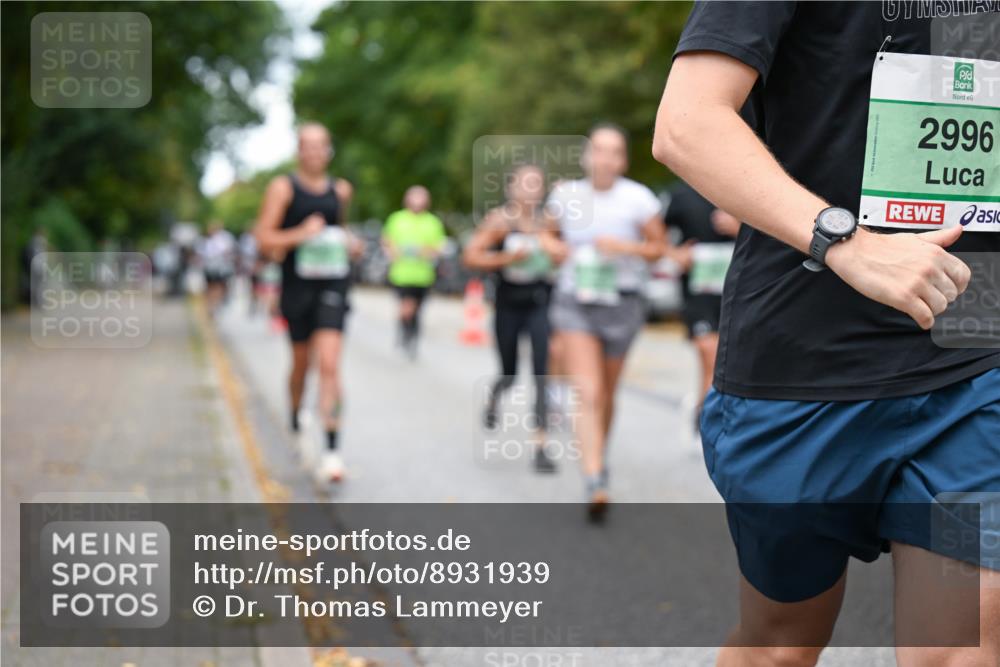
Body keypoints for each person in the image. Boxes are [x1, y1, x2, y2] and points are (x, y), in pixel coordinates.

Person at [654, 3, 998, 666]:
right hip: (800, 366)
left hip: (973, 360)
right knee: (781, 644)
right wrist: (847, 242)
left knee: (962, 652)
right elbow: (686, 124)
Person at [542, 123, 670, 518]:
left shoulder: (638, 199)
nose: (605, 159)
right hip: (575, 300)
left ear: (624, 159)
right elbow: (546, 236)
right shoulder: (566, 195)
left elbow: (659, 249)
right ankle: (594, 476)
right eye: (598, 150)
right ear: (586, 156)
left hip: (622, 303)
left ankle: (599, 455)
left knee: (608, 393)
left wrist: (624, 247)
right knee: (589, 391)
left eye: (614, 152)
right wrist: (556, 249)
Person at [253, 122, 361, 483]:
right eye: (307, 146)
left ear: (329, 150)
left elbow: (342, 230)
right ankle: (296, 413)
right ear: (298, 151)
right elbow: (263, 240)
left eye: (321, 145)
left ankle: (332, 450)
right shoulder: (283, 188)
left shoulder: (341, 190)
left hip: (333, 283)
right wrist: (300, 234)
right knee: (302, 365)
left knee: (330, 365)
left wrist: (352, 244)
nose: (314, 152)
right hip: (297, 288)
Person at [463, 164, 559, 473]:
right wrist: (507, 258)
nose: (531, 189)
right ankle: (494, 397)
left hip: (540, 302)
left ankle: (540, 445)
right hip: (508, 304)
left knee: (542, 373)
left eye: (537, 183)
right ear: (511, 188)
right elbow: (471, 256)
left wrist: (554, 251)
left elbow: (567, 254)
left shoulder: (549, 222)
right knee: (510, 373)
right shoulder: (500, 221)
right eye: (525, 183)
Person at [663, 181, 740, 428]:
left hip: (738, 288)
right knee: (711, 353)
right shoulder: (681, 195)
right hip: (698, 291)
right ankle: (709, 420)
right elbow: (656, 239)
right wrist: (675, 255)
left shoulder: (743, 188)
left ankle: (705, 411)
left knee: (728, 359)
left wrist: (739, 228)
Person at [381, 186, 447, 359]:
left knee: (417, 309)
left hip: (423, 275)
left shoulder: (433, 222)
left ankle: (412, 337)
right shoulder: (397, 219)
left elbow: (440, 246)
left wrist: (427, 251)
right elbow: (386, 240)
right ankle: (404, 330)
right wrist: (392, 252)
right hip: (401, 274)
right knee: (406, 307)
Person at [199, 221, 236, 316]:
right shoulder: (206, 241)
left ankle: (216, 304)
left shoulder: (224, 239)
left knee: (219, 286)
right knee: (210, 286)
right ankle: (211, 305)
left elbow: (228, 251)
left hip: (220, 268)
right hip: (210, 267)